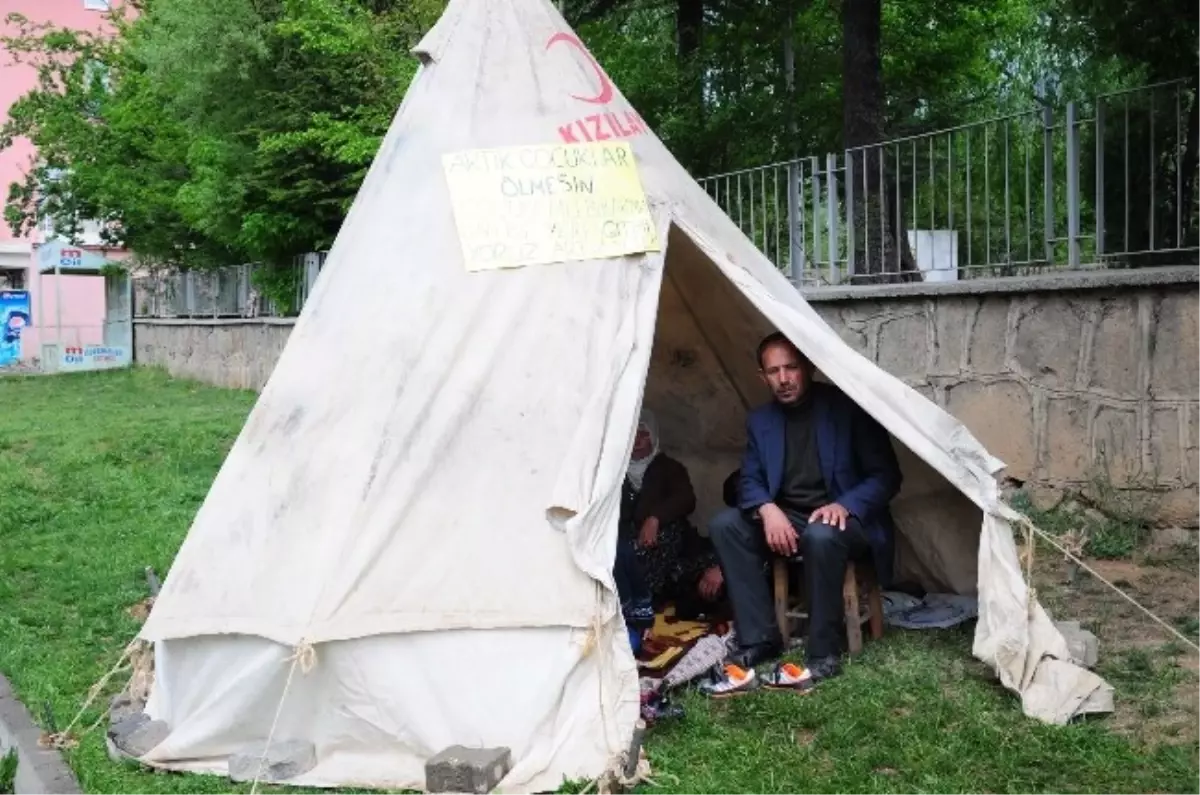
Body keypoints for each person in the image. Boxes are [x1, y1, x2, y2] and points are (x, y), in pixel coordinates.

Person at [708, 332, 901, 683]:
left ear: (808, 367)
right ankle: (760, 639)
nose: (783, 379)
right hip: (790, 515)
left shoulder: (847, 407)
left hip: (847, 519)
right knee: (726, 525)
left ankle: (824, 651)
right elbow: (748, 480)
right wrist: (767, 509)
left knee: (821, 534)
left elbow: (886, 476)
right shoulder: (761, 421)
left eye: (791, 368)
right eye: (773, 371)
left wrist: (845, 504)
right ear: (762, 377)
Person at [613, 410, 725, 651]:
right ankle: (634, 602)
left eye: (643, 435)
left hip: (667, 542)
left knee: (664, 537)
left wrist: (655, 518)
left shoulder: (668, 467)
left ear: (653, 437)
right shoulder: (614, 471)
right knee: (623, 553)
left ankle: (647, 600)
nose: (637, 442)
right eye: (632, 435)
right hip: (628, 543)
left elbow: (686, 499)